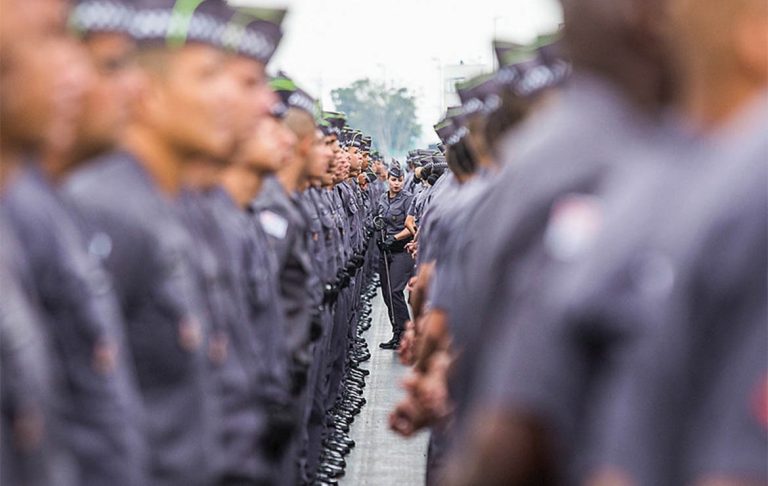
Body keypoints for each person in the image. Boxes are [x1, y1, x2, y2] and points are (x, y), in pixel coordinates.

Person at [376, 164, 415, 349]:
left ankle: (407, 334)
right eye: (393, 180)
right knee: (387, 294)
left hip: (401, 250)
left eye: (400, 180)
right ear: (388, 180)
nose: (397, 184)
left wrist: (394, 238)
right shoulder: (383, 198)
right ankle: (396, 333)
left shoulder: (408, 199)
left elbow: (411, 226)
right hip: (385, 251)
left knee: (395, 291)